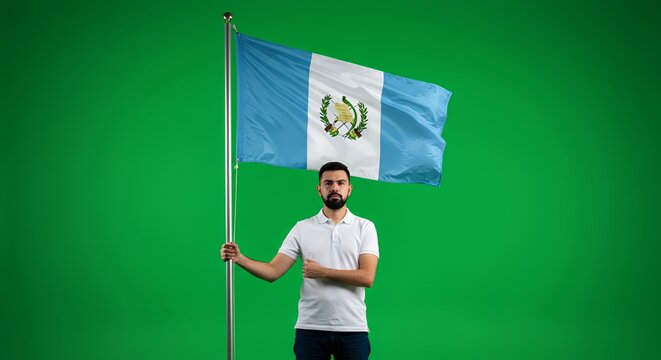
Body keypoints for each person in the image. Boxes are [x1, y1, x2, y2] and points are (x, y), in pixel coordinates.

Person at [220, 161, 379, 360]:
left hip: (353, 328)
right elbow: (273, 271)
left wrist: (323, 272)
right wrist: (240, 258)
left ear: (349, 188)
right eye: (328, 183)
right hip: (310, 328)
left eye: (340, 182)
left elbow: (367, 277)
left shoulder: (365, 227)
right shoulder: (302, 228)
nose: (335, 188)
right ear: (319, 189)